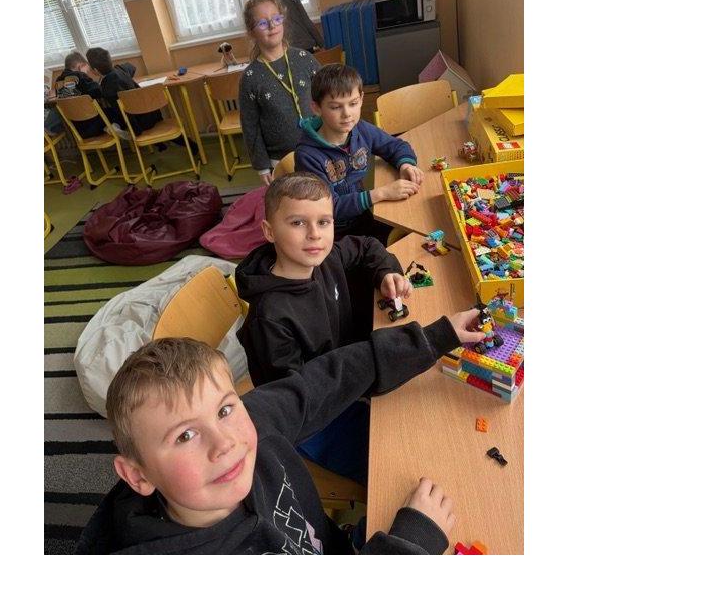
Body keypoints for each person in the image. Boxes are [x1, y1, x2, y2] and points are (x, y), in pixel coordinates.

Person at [76, 310, 489, 554]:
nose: (225, 443)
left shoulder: (247, 427)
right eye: (185, 436)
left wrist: (435, 337)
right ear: (138, 476)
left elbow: (320, 383)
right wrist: (411, 543)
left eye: (224, 409)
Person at [234, 172, 414, 483]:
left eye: (324, 222)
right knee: (393, 466)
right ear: (269, 231)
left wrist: (385, 273)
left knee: (415, 416)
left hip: (347, 378)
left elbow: (367, 246)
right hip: (315, 418)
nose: (314, 235)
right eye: (298, 223)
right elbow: (298, 401)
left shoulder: (325, 259)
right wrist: (364, 373)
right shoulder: (270, 319)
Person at [294, 62, 423, 238]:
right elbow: (328, 208)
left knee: (414, 228)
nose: (347, 114)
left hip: (363, 216)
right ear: (317, 108)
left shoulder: (360, 128)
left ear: (361, 99)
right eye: (335, 107)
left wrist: (406, 165)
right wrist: (382, 193)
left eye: (353, 103)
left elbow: (395, 146)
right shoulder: (307, 156)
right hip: (332, 234)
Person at [237, 0, 321, 183]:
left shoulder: (304, 58)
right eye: (262, 23)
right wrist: (261, 166)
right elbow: (250, 127)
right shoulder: (250, 78)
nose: (272, 25)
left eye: (276, 18)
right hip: (280, 161)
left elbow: (328, 95)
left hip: (319, 148)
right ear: (252, 32)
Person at [84, 47, 162, 136]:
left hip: (139, 125)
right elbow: (132, 67)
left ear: (95, 70)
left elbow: (118, 111)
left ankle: (116, 127)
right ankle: (116, 126)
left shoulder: (106, 87)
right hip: (153, 114)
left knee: (108, 112)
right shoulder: (121, 69)